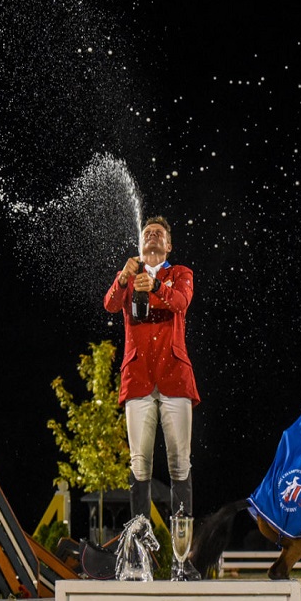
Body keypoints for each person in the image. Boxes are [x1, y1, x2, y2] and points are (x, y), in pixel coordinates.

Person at [103, 216, 200, 524]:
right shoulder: (128, 275)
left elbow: (182, 302)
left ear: (168, 246)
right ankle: (139, 551)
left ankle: (181, 557)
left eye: (159, 234)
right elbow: (110, 304)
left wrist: (157, 285)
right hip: (138, 378)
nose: (153, 236)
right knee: (140, 463)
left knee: (179, 464)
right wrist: (121, 280)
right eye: (148, 233)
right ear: (141, 243)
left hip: (175, 377)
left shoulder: (181, 273)